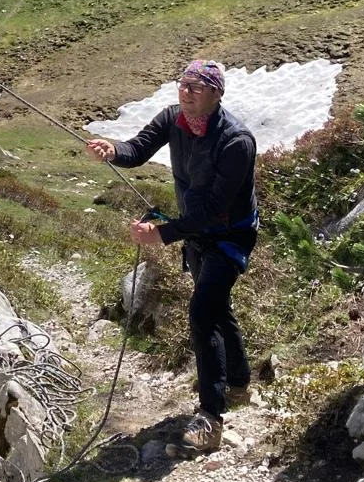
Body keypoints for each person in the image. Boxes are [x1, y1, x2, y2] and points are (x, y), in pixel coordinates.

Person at [85, 59, 258, 455]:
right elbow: (138, 149)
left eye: (196, 86)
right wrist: (113, 149)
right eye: (183, 84)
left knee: (202, 311)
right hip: (197, 236)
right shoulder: (172, 119)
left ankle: (211, 418)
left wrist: (162, 234)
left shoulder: (237, 141)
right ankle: (238, 382)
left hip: (231, 236)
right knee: (214, 305)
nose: (186, 92)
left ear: (216, 93)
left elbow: (215, 209)